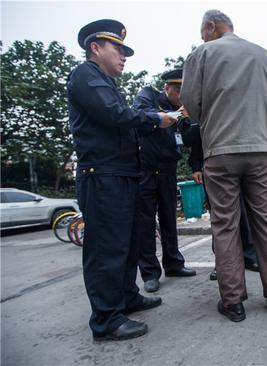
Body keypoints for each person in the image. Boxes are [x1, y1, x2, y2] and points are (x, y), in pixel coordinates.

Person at [67, 19, 177, 341]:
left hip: (123, 174)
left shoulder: (105, 81)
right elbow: (115, 116)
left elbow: (122, 119)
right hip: (103, 176)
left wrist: (154, 122)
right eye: (118, 48)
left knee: (128, 243)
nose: (124, 56)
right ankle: (106, 320)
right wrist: (156, 120)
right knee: (107, 248)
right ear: (95, 47)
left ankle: (126, 296)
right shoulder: (85, 75)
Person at [180, 9, 267, 322]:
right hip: (258, 148)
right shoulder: (264, 55)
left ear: (211, 27)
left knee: (226, 224)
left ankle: (233, 302)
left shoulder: (201, 55)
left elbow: (192, 108)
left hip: (220, 151)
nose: (203, 38)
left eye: (204, 33)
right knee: (266, 221)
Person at [133, 69, 196, 293]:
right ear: (168, 88)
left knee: (169, 219)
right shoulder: (148, 96)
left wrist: (191, 122)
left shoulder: (181, 108)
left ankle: (174, 263)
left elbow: (186, 138)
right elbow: (139, 116)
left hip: (168, 170)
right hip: (146, 170)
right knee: (146, 223)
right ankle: (150, 273)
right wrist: (178, 115)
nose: (182, 98)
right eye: (179, 93)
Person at [185, 124, 259, 281]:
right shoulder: (204, 106)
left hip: (241, 159)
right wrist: (196, 166)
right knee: (220, 218)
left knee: (244, 214)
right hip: (214, 165)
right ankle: (223, 263)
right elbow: (193, 137)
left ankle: (249, 256)